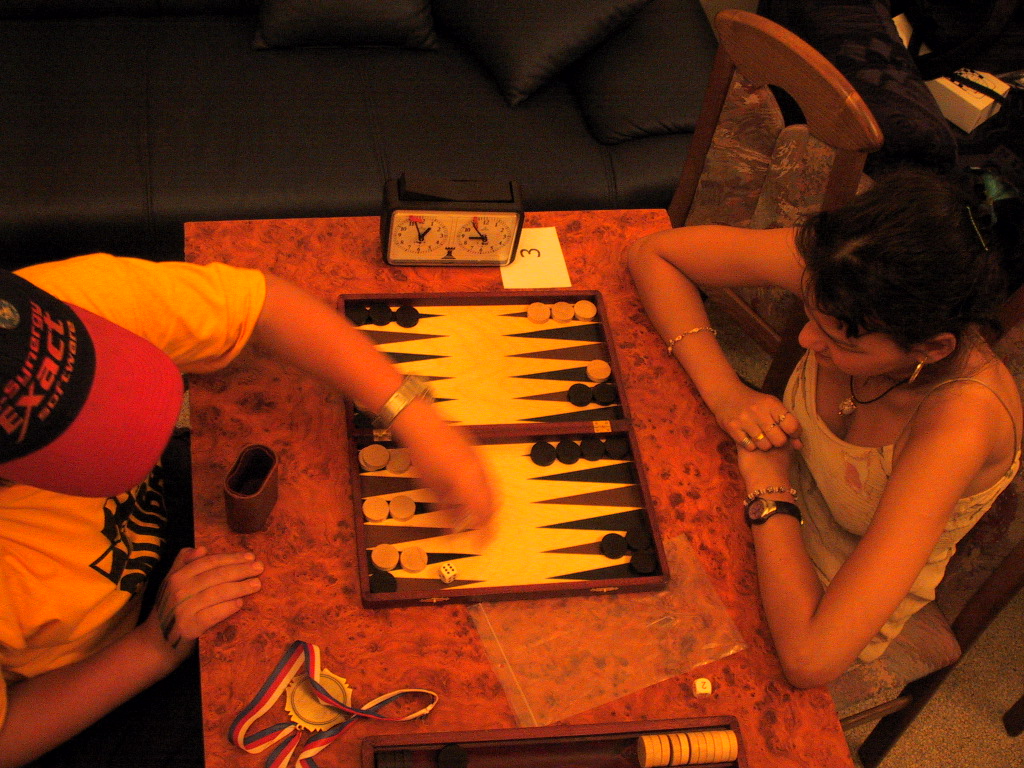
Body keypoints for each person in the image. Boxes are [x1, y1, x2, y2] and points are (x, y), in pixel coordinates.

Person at [0, 253, 495, 767]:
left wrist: (413, 417)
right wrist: (153, 648)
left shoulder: (40, 310)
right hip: (95, 676)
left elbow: (260, 305)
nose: (117, 421)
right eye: (81, 431)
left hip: (172, 517)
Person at [626, 167, 1022, 687]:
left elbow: (811, 659)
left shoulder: (959, 424)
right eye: (808, 312)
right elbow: (653, 254)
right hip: (747, 500)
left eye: (840, 342)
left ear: (932, 349)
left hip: (819, 592)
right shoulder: (846, 273)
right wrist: (727, 394)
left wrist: (770, 485)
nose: (807, 340)